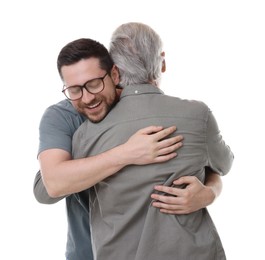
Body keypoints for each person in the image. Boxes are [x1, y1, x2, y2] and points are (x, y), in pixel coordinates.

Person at [35, 37, 223, 259]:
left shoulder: (146, 108)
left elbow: (208, 166)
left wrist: (210, 191)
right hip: (89, 250)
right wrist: (126, 153)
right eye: (75, 90)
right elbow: (50, 187)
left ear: (115, 75)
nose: (87, 97)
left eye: (94, 83)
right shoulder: (61, 117)